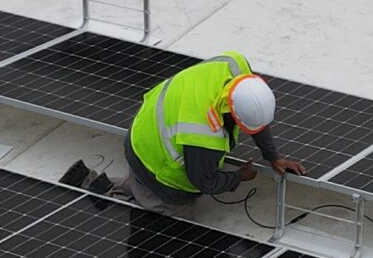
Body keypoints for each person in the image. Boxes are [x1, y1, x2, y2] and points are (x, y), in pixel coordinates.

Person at [64, 51, 305, 207]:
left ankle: (101, 181)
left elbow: (252, 113)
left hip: (145, 130)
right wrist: (238, 177)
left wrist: (273, 156)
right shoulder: (203, 133)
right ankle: (99, 190)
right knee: (170, 218)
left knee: (145, 186)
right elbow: (205, 182)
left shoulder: (235, 65)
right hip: (151, 158)